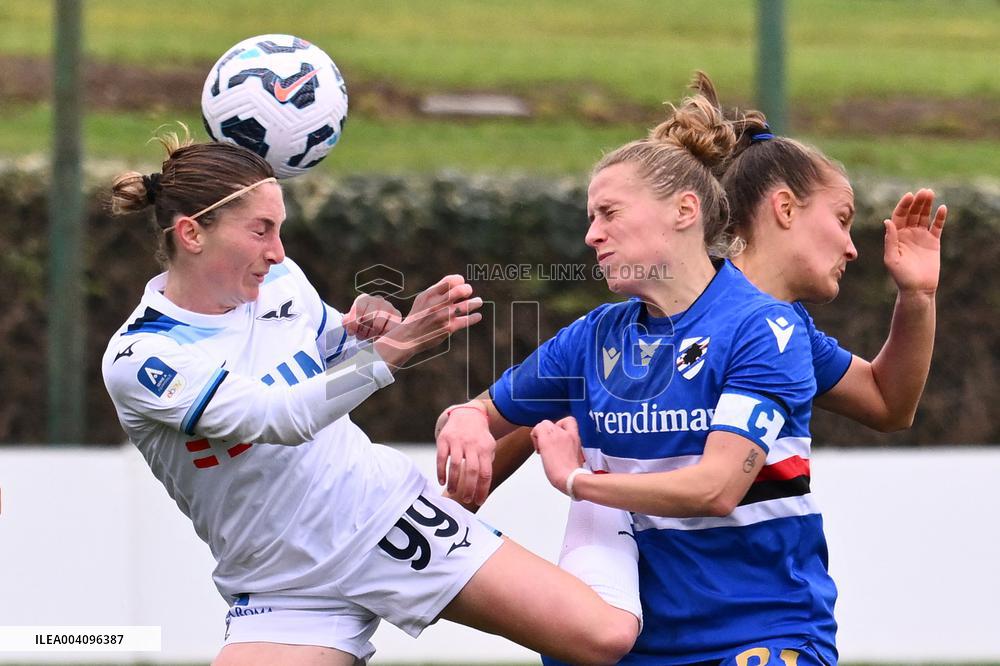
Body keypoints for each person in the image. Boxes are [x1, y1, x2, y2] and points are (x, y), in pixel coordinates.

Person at [101, 132, 641, 666]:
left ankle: (571, 444)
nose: (278, 252)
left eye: (279, 230)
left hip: (381, 519)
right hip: (282, 586)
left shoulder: (281, 281)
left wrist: (363, 330)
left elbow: (327, 354)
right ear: (192, 234)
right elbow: (276, 416)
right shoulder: (143, 357)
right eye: (261, 231)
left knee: (606, 636)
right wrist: (391, 349)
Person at [437, 77, 837, 664]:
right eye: (591, 216)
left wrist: (578, 481)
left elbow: (717, 488)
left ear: (684, 211)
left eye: (608, 213)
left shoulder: (763, 327)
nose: (591, 234)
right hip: (635, 649)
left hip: (760, 634)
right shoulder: (594, 337)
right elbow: (482, 413)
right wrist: (465, 421)